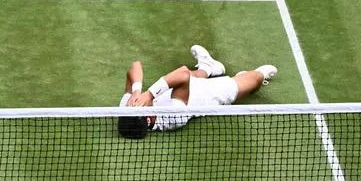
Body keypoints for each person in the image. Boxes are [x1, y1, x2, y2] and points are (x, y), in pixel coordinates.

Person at [117, 45, 278, 138]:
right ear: (148, 119)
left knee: (174, 80)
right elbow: (183, 74)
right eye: (141, 108)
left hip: (181, 86)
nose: (138, 104)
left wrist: (137, 91)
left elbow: (135, 66)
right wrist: (150, 94)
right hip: (207, 95)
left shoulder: (128, 107)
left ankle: (208, 67)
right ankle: (253, 77)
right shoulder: (173, 116)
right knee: (254, 79)